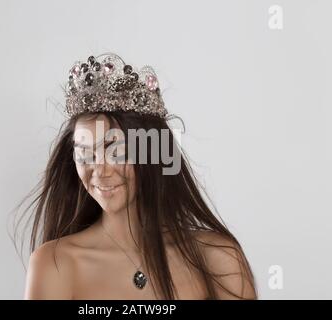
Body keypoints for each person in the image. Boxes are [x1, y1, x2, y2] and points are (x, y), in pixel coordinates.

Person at [22, 53, 257, 300]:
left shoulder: (219, 258)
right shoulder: (56, 264)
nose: (100, 171)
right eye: (84, 154)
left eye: (116, 151)